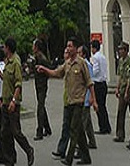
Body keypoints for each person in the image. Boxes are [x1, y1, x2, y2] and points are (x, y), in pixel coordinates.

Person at [37, 38, 97, 166]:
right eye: (67, 46)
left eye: (70, 46)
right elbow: (56, 73)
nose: (68, 48)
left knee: (74, 130)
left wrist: (93, 99)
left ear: (75, 48)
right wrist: (44, 70)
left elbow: (89, 82)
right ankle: (86, 157)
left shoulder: (81, 63)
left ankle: (69, 159)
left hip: (78, 102)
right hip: (68, 102)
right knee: (79, 130)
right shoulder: (67, 63)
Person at [0, 37, 34, 166]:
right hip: (5, 102)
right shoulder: (8, 62)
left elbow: (18, 84)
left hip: (12, 103)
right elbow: (5, 78)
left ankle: (29, 150)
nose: (3, 49)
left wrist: (13, 100)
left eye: (5, 47)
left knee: (16, 131)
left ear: (8, 48)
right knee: (5, 132)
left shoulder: (15, 62)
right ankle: (10, 159)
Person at [89, 39, 111, 134]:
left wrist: (90, 74)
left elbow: (95, 70)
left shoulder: (95, 58)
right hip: (104, 83)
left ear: (94, 48)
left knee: (98, 107)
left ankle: (103, 127)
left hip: (98, 84)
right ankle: (106, 126)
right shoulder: (102, 57)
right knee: (103, 106)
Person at [113, 41, 130, 143]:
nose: (120, 51)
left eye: (121, 49)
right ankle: (120, 135)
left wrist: (126, 91)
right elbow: (120, 75)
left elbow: (129, 78)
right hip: (122, 90)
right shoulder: (121, 61)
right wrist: (117, 88)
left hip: (129, 90)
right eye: (119, 49)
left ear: (126, 50)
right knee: (121, 112)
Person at [32, 39, 52, 140]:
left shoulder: (42, 59)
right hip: (39, 85)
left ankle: (39, 130)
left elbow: (49, 70)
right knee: (41, 106)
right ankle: (47, 128)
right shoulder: (37, 57)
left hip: (42, 85)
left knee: (40, 107)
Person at [78, 46, 97, 150]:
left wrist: (91, 97)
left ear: (84, 54)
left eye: (79, 52)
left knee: (82, 124)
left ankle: (79, 147)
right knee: (88, 122)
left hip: (85, 97)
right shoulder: (81, 63)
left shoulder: (86, 65)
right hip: (82, 97)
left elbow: (90, 81)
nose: (78, 54)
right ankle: (92, 141)